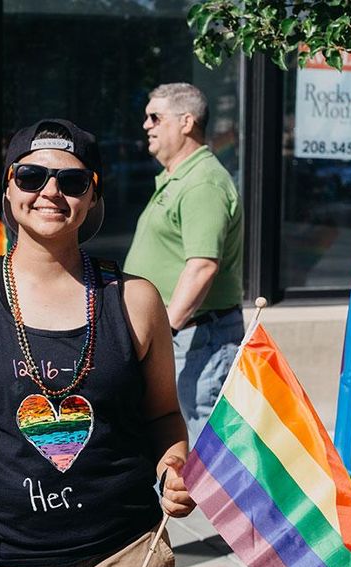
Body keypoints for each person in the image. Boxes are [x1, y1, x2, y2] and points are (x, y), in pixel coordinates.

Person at [0, 119, 195, 567]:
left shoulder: (134, 299)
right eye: (32, 176)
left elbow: (163, 416)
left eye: (73, 181)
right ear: (8, 186)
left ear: (92, 194)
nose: (50, 192)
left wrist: (174, 468)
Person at [124, 83, 244, 442]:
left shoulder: (202, 183)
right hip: (184, 336)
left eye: (155, 117)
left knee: (200, 451)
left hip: (197, 338)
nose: (146, 125)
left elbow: (202, 266)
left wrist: (163, 333)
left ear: (187, 121)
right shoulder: (181, 178)